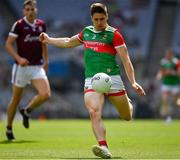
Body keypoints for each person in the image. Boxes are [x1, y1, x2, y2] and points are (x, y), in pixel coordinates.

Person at [39, 3, 145, 159]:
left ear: (107, 17)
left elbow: (126, 60)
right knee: (94, 112)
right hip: (92, 80)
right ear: (91, 18)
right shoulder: (87, 32)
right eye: (96, 19)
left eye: (102, 18)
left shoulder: (114, 34)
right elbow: (68, 42)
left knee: (126, 116)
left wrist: (133, 82)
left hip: (112, 78)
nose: (99, 22)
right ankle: (104, 147)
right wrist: (48, 40)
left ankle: (128, 103)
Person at [5, 0, 51, 140]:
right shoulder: (19, 25)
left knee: (46, 94)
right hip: (21, 68)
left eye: (32, 9)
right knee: (16, 98)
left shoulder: (41, 25)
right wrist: (18, 58)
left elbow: (44, 43)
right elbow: (8, 45)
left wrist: (46, 60)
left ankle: (27, 110)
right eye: (28, 9)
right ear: (24, 11)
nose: (30, 11)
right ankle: (9, 128)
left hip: (37, 66)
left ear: (36, 10)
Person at [156, 48, 180, 122]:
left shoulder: (176, 62)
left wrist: (172, 72)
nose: (167, 56)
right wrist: (159, 75)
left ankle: (171, 115)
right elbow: (161, 71)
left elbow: (179, 73)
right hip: (166, 84)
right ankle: (168, 117)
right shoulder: (163, 62)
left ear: (171, 54)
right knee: (165, 100)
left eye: (168, 54)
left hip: (174, 84)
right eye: (166, 54)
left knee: (176, 102)